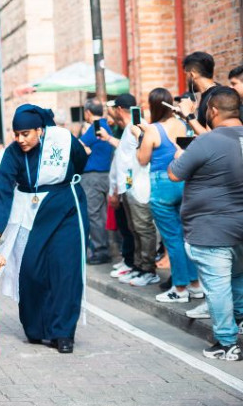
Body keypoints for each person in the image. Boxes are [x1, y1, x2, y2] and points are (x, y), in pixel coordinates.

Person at [0, 104, 88, 354]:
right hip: (31, 213)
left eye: (26, 134)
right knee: (31, 270)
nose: (20, 139)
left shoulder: (61, 141)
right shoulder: (12, 153)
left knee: (65, 271)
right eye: (16, 134)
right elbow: (2, 187)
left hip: (65, 207)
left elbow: (80, 160)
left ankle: (63, 333)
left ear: (40, 130)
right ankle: (37, 328)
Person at [168, 87, 243, 360]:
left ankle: (226, 342)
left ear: (211, 110)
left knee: (218, 286)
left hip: (212, 228)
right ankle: (238, 323)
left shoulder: (207, 141)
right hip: (238, 226)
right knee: (237, 278)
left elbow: (174, 175)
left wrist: (178, 156)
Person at [136, 88, 204, 303]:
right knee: (186, 238)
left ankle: (180, 288)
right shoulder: (184, 124)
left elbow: (142, 159)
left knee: (172, 239)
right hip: (184, 182)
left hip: (162, 186)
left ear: (153, 106)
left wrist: (139, 135)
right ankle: (195, 285)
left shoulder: (152, 130)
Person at [99, 95, 159, 286]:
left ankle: (148, 269)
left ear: (119, 109)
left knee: (143, 228)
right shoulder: (127, 129)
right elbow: (124, 157)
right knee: (134, 229)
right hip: (128, 186)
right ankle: (139, 267)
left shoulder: (140, 127)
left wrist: (118, 189)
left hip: (138, 185)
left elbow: (141, 155)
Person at [78, 99, 115, 265]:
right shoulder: (106, 125)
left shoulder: (95, 127)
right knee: (103, 214)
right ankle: (107, 248)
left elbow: (78, 146)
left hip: (93, 176)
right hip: (107, 174)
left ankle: (100, 250)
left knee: (94, 214)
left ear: (88, 112)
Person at [177, 51, 217, 135]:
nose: (186, 79)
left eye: (186, 74)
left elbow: (209, 137)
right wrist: (186, 116)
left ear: (192, 74)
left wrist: (188, 114)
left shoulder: (215, 96)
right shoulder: (207, 95)